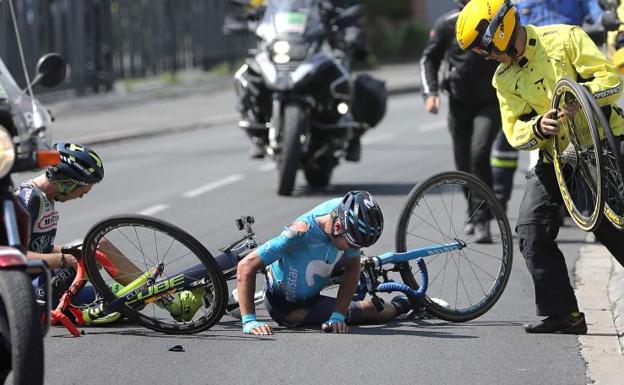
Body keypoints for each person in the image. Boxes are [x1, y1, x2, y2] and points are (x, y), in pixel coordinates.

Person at [455, 0, 624, 334]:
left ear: (499, 31)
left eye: (485, 48)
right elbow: (515, 131)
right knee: (532, 229)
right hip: (557, 158)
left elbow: (612, 81)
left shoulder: (564, 38)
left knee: (609, 225)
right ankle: (564, 315)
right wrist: (536, 128)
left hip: (603, 142)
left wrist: (580, 97)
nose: (486, 57)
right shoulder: (503, 78)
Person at [235, 191, 413, 335]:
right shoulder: (297, 235)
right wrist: (250, 321)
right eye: (352, 244)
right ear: (337, 227)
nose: (353, 249)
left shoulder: (344, 214)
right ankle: (405, 304)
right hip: (288, 307)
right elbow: (245, 267)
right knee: (379, 312)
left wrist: (338, 315)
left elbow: (352, 267)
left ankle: (412, 302)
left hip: (319, 268)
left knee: (355, 261)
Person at [420, 0, 518, 243]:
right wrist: (430, 92)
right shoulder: (447, 24)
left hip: (491, 101)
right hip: (459, 103)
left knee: (479, 152)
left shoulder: (497, 20)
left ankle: (482, 218)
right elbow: (429, 59)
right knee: (463, 164)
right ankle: (475, 212)